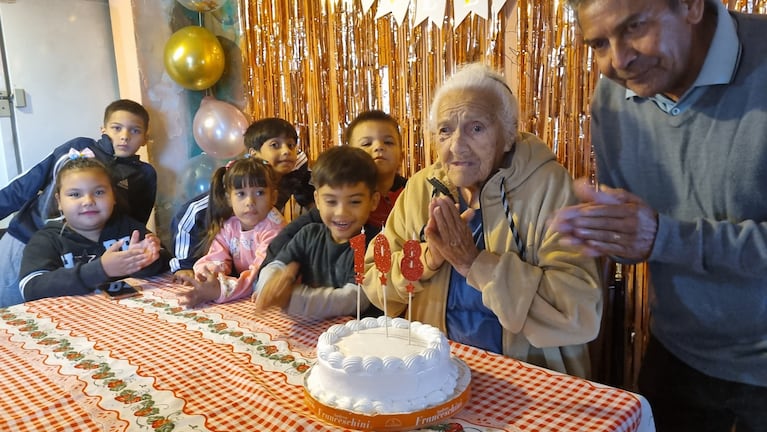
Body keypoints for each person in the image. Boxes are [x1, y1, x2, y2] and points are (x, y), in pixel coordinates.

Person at [551, 0, 767, 429]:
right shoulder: (612, 99)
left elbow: (663, 237)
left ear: (690, 6)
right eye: (598, 43)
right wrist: (613, 233)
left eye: (635, 27)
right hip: (679, 351)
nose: (619, 59)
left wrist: (664, 237)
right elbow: (644, 239)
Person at [362, 63, 602, 378]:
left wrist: (475, 263)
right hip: (436, 373)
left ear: (508, 135)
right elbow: (373, 281)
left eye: (476, 128)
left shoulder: (548, 187)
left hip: (528, 375)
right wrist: (427, 258)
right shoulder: (422, 188)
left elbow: (579, 312)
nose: (456, 146)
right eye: (445, 130)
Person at [0, 99, 157, 307]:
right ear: (103, 129)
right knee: (12, 305)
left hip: (83, 255)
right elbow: (26, 184)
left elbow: (133, 221)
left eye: (134, 131)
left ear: (145, 138)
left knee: (70, 308)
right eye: (117, 128)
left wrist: (135, 249)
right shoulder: (79, 147)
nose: (125, 136)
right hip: (27, 236)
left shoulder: (144, 174)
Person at [259, 110, 407, 271]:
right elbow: (283, 244)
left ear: (402, 155)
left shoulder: (413, 194)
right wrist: (271, 275)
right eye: (366, 143)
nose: (379, 147)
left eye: (388, 142)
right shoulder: (332, 207)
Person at [170, 117, 314, 276]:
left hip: (251, 254)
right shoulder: (237, 181)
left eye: (291, 145)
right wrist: (183, 264)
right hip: (210, 249)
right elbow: (191, 213)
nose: (286, 151)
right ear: (254, 153)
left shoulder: (296, 168)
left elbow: (309, 197)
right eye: (275, 145)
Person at [18, 153, 167, 302]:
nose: (88, 201)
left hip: (127, 317)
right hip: (72, 320)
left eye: (99, 192)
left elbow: (169, 263)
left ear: (114, 196)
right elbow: (31, 288)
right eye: (75, 194)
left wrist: (143, 261)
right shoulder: (47, 240)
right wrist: (100, 269)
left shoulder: (128, 228)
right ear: (59, 201)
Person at [253, 146, 381, 319]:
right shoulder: (308, 234)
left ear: (373, 201)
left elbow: (357, 298)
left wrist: (292, 299)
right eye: (331, 201)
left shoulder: (373, 244)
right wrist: (271, 284)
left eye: (355, 201)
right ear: (317, 200)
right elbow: (277, 265)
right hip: (306, 332)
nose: (341, 212)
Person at [175, 155, 285, 307]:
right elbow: (216, 257)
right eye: (241, 194)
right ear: (228, 198)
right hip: (243, 287)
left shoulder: (274, 229)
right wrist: (207, 277)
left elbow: (260, 277)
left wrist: (219, 290)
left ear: (273, 197)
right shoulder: (230, 224)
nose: (250, 202)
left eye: (259, 193)